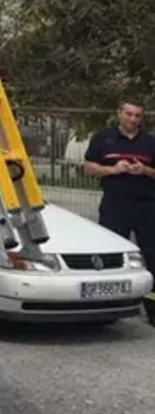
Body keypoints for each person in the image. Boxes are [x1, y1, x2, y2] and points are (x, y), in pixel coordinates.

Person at [83, 100, 155, 325]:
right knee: (112, 256)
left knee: (152, 255)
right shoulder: (103, 138)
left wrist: (144, 170)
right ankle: (110, 309)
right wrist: (112, 169)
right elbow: (88, 167)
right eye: (129, 114)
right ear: (119, 113)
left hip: (146, 205)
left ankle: (151, 309)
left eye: (137, 116)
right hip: (115, 204)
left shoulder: (150, 142)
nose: (133, 119)